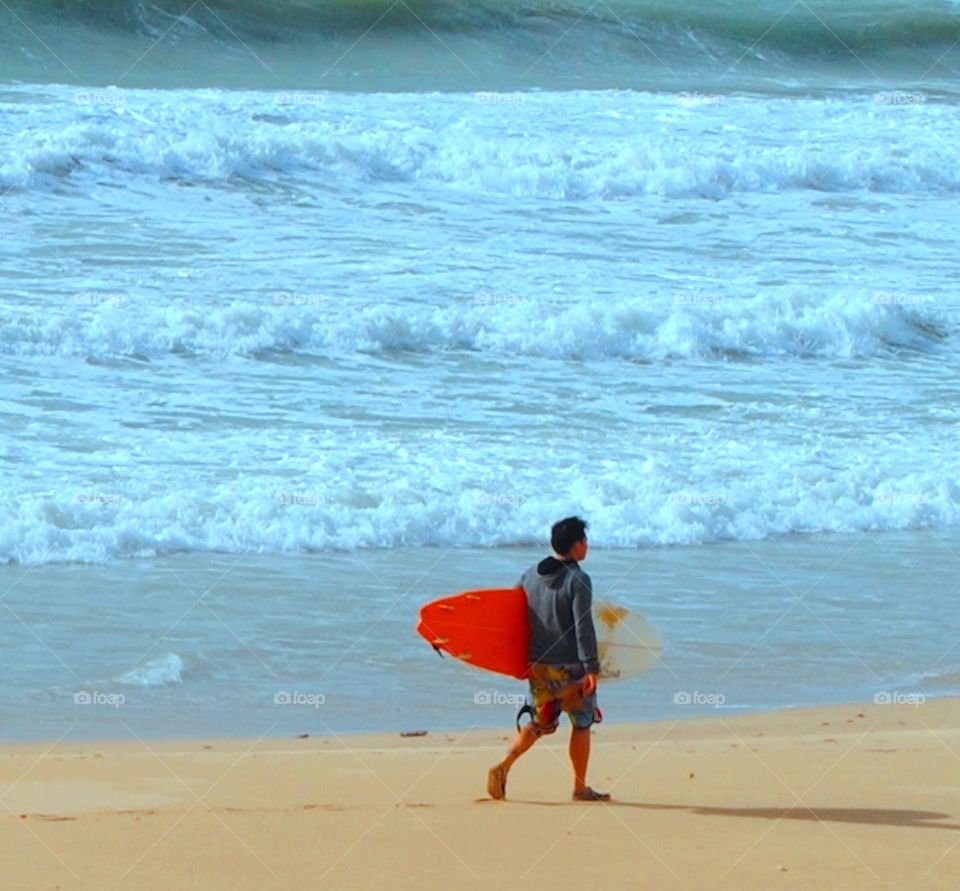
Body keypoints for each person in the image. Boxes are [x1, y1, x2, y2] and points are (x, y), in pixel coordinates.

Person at [487, 516, 610, 802]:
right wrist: (591, 667)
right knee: (581, 723)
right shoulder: (578, 579)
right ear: (577, 545)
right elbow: (583, 626)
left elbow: (513, 618)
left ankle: (504, 766)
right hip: (571, 669)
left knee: (540, 722)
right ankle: (580, 788)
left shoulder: (529, 576)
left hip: (539, 667)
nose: (587, 546)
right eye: (585, 541)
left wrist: (515, 661)